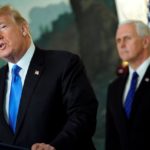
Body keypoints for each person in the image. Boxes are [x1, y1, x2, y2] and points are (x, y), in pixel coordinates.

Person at [0, 5, 98, 150]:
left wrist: (55, 147)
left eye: (3, 27)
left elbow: (83, 115)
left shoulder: (64, 64)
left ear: (24, 29)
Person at [105, 20, 150, 150]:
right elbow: (112, 139)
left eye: (127, 38)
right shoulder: (114, 88)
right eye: (118, 41)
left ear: (145, 41)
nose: (122, 45)